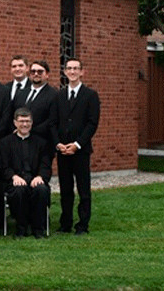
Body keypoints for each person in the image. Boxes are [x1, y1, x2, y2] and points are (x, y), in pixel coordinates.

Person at [51, 58, 100, 236]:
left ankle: (83, 224)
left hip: (81, 150)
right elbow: (53, 122)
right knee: (65, 189)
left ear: (82, 72)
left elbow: (92, 123)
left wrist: (77, 144)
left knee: (83, 189)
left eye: (76, 68)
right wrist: (58, 143)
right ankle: (65, 223)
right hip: (63, 150)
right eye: (69, 68)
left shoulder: (90, 95)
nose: (72, 72)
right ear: (65, 72)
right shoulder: (59, 96)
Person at [0, 108, 51, 239]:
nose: (25, 124)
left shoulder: (41, 143)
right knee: (18, 190)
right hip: (14, 180)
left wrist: (39, 177)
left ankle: (38, 229)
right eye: (21, 121)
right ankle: (21, 228)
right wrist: (14, 176)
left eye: (27, 121)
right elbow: (4, 166)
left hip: (35, 178)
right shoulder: (5, 143)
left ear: (32, 123)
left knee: (41, 189)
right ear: (15, 123)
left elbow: (45, 165)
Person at [21, 60, 58, 146]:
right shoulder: (21, 93)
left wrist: (28, 130)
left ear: (47, 74)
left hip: (42, 142)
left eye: (40, 72)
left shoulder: (54, 95)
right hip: (20, 142)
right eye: (33, 71)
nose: (36, 74)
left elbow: (52, 119)